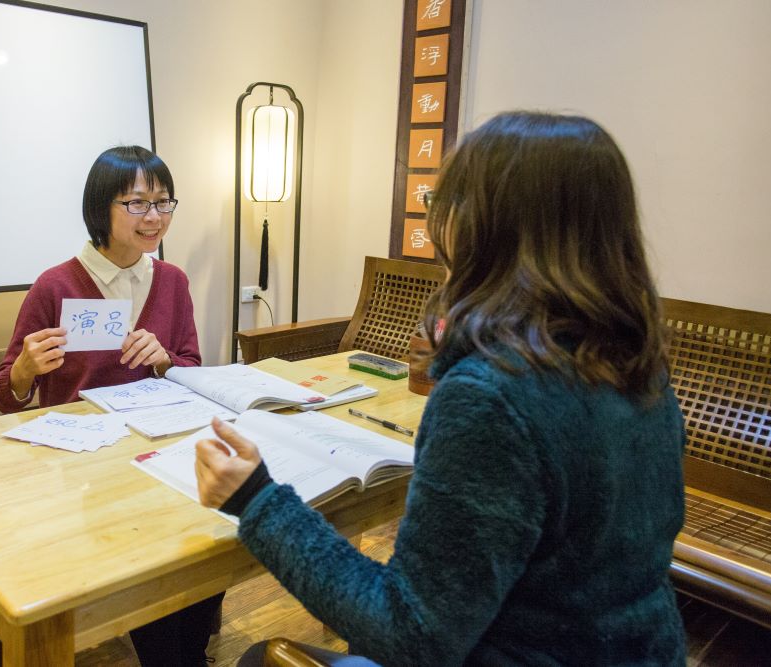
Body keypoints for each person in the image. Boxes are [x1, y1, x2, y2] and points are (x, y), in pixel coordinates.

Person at [194, 112, 687, 665]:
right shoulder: (634, 364)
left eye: (443, 203)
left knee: (261, 656)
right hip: (639, 650)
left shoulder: (493, 397)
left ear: (482, 225)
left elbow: (411, 633)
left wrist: (258, 500)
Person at [0, 145, 221, 666]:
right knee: (156, 563)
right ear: (102, 209)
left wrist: (165, 360)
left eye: (164, 203)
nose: (154, 217)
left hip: (160, 447)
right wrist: (27, 367)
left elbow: (192, 365)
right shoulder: (56, 285)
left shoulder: (173, 280)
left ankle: (192, 651)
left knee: (213, 530)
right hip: (85, 470)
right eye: (137, 203)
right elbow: (6, 393)